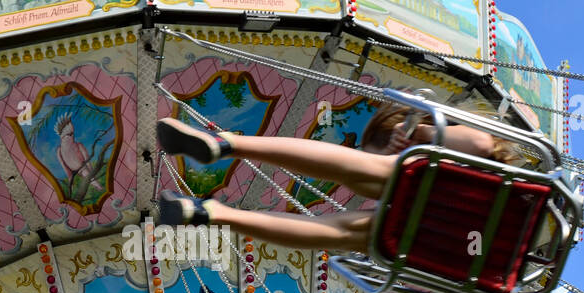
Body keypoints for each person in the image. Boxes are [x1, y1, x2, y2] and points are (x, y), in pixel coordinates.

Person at [155, 101, 525, 251]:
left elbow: (477, 142)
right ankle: (215, 215)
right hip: (452, 237)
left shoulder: (484, 154)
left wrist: (422, 135)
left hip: (483, 209)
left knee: (391, 178)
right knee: (357, 229)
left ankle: (226, 144)